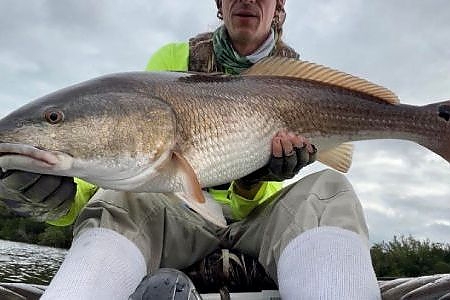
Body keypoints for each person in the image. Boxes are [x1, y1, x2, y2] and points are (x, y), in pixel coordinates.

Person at [0, 0, 381, 299]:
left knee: (331, 191)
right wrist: (58, 200)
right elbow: (128, 152)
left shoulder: (293, 75)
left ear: (279, 4)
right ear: (219, 3)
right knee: (119, 198)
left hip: (258, 218)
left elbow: (250, 205)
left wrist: (255, 179)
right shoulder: (170, 60)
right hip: (175, 213)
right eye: (54, 118)